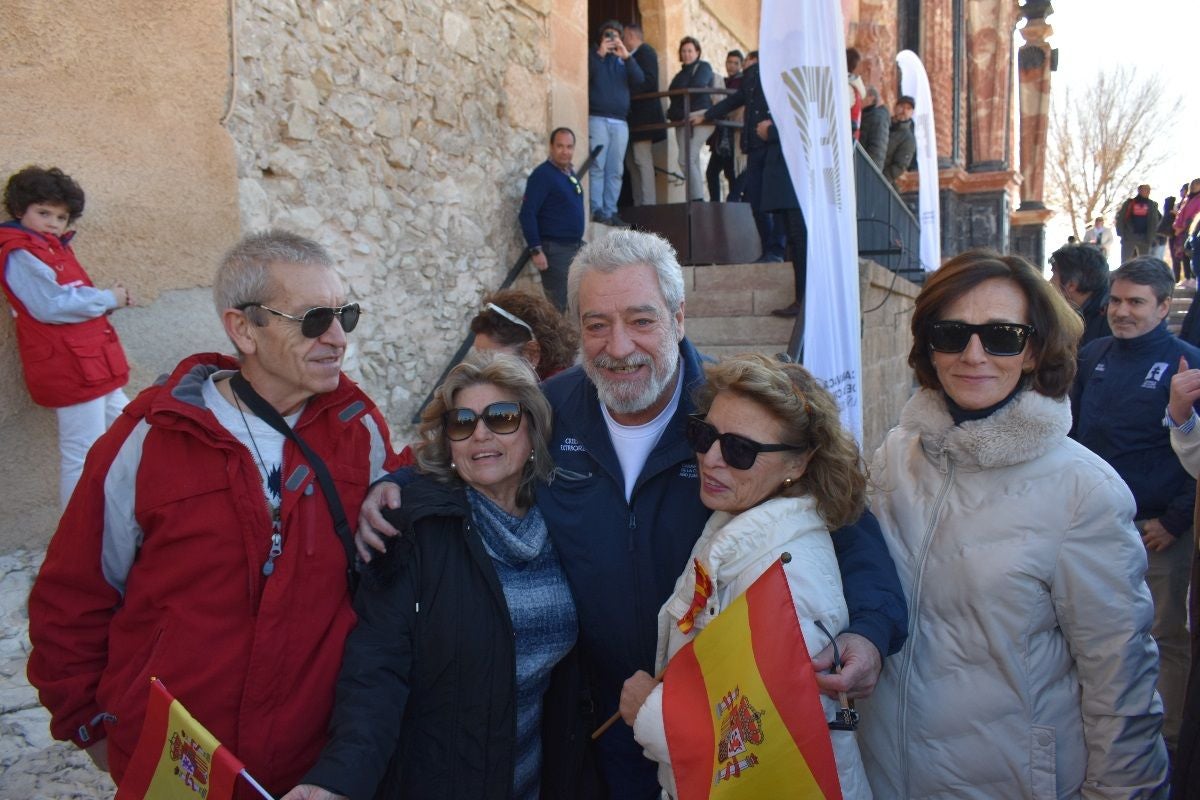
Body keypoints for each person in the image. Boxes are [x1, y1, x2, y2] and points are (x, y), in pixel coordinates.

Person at [358, 230, 907, 800]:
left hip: (719, 730)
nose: (618, 347)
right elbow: (477, 451)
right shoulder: (553, 407)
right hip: (591, 730)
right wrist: (395, 486)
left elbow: (846, 521)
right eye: (597, 324)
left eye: (641, 321)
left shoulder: (730, 413)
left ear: (679, 317)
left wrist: (869, 632)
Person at [26, 230, 401, 797]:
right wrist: (98, 728)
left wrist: (400, 485)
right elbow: (74, 591)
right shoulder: (149, 438)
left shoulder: (359, 430)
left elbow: (400, 567)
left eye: (344, 315)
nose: (336, 337)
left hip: (313, 764)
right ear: (243, 328)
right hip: (178, 767)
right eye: (313, 318)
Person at [861, 249, 1169, 797]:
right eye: (951, 333)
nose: (973, 354)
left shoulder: (1084, 492)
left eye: (1002, 335)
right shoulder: (892, 458)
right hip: (882, 773)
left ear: (1032, 351)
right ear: (928, 348)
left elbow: (1119, 683)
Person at [283, 354, 593, 800]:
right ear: (449, 442)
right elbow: (377, 666)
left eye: (501, 417)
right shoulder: (415, 528)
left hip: (534, 780)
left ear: (533, 428)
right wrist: (340, 778)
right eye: (462, 422)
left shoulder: (563, 518)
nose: (481, 434)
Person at [618, 354, 871, 799]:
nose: (711, 458)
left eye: (740, 449)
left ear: (798, 464)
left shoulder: (789, 581)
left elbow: (762, 750)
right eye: (704, 434)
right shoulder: (739, 526)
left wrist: (648, 712)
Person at [1070, 256, 1200, 753]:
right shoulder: (1094, 354)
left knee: (1165, 634)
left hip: (1157, 530)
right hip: (1094, 525)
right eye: (1117, 300)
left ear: (1165, 306)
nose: (1122, 311)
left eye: (1136, 303)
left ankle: (1168, 736)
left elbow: (1196, 456)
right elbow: (1073, 432)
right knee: (1093, 627)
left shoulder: (1187, 364)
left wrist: (1174, 521)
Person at [0, 166, 133, 508]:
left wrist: (106, 303)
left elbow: (70, 298)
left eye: (60, 217)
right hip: (69, 367)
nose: (52, 223)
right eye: (43, 212)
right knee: (83, 453)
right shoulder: (19, 251)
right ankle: (75, 545)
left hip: (93, 363)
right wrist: (107, 299)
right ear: (19, 210)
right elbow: (50, 305)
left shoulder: (52, 248)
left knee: (133, 428)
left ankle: (120, 520)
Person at [697, 54, 787, 261]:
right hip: (754, 147)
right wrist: (707, 115)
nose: (746, 64)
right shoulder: (751, 77)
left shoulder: (779, 73)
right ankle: (768, 250)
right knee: (756, 202)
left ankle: (777, 250)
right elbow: (735, 100)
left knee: (777, 201)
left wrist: (773, 131)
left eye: (749, 61)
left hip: (773, 146)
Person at [518, 127, 586, 311]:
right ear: (551, 147)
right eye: (560, 146)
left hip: (575, 247)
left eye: (569, 147)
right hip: (555, 251)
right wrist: (536, 249)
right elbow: (527, 213)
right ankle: (552, 341)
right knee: (556, 308)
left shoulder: (569, 174)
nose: (565, 151)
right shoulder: (542, 175)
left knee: (582, 299)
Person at [588, 20, 644, 228]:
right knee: (597, 166)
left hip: (620, 122)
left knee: (615, 170)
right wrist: (599, 54)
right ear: (601, 38)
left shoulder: (624, 60)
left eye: (615, 36)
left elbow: (639, 80)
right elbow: (583, 76)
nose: (612, 40)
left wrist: (627, 56)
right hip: (597, 119)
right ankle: (597, 210)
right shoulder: (593, 56)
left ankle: (610, 211)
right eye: (608, 35)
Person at [756, 115, 808, 319]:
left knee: (800, 239)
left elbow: (803, 127)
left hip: (797, 177)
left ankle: (803, 300)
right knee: (795, 241)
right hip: (786, 176)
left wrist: (771, 132)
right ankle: (801, 299)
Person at [470, 288, 580, 380]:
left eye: (490, 361)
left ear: (531, 355)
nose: (480, 373)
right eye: (479, 361)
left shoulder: (559, 399)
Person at [666, 37, 715, 203]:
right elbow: (673, 95)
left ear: (697, 52)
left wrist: (679, 104)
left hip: (701, 117)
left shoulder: (704, 67)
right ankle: (696, 198)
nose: (686, 54)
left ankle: (697, 200)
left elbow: (698, 85)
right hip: (682, 118)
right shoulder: (680, 74)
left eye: (690, 51)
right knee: (688, 159)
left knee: (686, 158)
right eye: (683, 51)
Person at [621, 22, 666, 207]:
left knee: (642, 159)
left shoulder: (645, 52)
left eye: (624, 37)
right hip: (632, 118)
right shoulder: (633, 55)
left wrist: (625, 93)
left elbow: (649, 82)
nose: (622, 41)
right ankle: (638, 203)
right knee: (632, 163)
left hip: (644, 117)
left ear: (631, 36)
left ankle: (648, 204)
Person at [1048, 242, 1112, 345]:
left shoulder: (1108, 319)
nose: (1050, 282)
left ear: (1071, 285)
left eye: (1054, 274)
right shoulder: (1087, 310)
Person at [705, 50, 743, 203]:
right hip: (722, 134)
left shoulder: (742, 82)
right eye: (729, 62)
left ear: (741, 65)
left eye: (735, 63)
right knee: (713, 172)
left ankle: (732, 204)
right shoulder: (724, 82)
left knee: (730, 172)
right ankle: (717, 204)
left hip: (734, 133)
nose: (731, 66)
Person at [1116, 184, 1163, 262]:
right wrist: (1120, 232)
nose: (1147, 191)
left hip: (1145, 237)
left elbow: (1155, 221)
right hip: (1129, 236)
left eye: (1148, 190)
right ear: (1139, 190)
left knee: (1144, 262)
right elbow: (1120, 218)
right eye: (1145, 189)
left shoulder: (1152, 205)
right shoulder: (1129, 203)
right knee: (1125, 261)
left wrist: (1152, 237)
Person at [882, 96, 916, 187]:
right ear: (895, 107)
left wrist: (881, 178)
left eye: (908, 108)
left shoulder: (908, 138)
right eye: (901, 106)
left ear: (911, 113)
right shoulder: (883, 123)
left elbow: (900, 166)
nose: (904, 110)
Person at [1175, 179, 1200, 287]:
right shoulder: (1188, 198)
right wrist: (1177, 226)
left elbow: (1196, 215)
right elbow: (1181, 213)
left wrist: (1186, 225)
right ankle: (1187, 277)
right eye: (1193, 185)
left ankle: (1194, 278)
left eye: (1197, 185)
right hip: (1183, 230)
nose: (1194, 186)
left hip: (1193, 229)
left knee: (1192, 253)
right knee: (1184, 253)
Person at [858, 86, 890, 170]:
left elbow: (877, 149)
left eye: (862, 96)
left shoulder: (878, 117)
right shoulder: (868, 114)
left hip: (866, 169)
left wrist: (868, 170)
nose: (859, 99)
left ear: (871, 98)